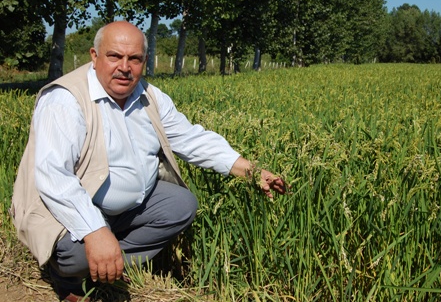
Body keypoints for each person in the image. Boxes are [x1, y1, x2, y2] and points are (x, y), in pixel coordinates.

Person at [10, 21, 288, 302]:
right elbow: (53, 176)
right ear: (94, 57)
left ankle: (109, 265)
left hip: (127, 210)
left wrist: (250, 171)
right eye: (114, 56)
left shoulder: (149, 96)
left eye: (134, 59)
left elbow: (190, 139)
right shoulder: (65, 99)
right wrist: (95, 231)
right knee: (79, 253)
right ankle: (69, 276)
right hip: (69, 210)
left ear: (144, 61)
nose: (124, 67)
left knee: (182, 205)